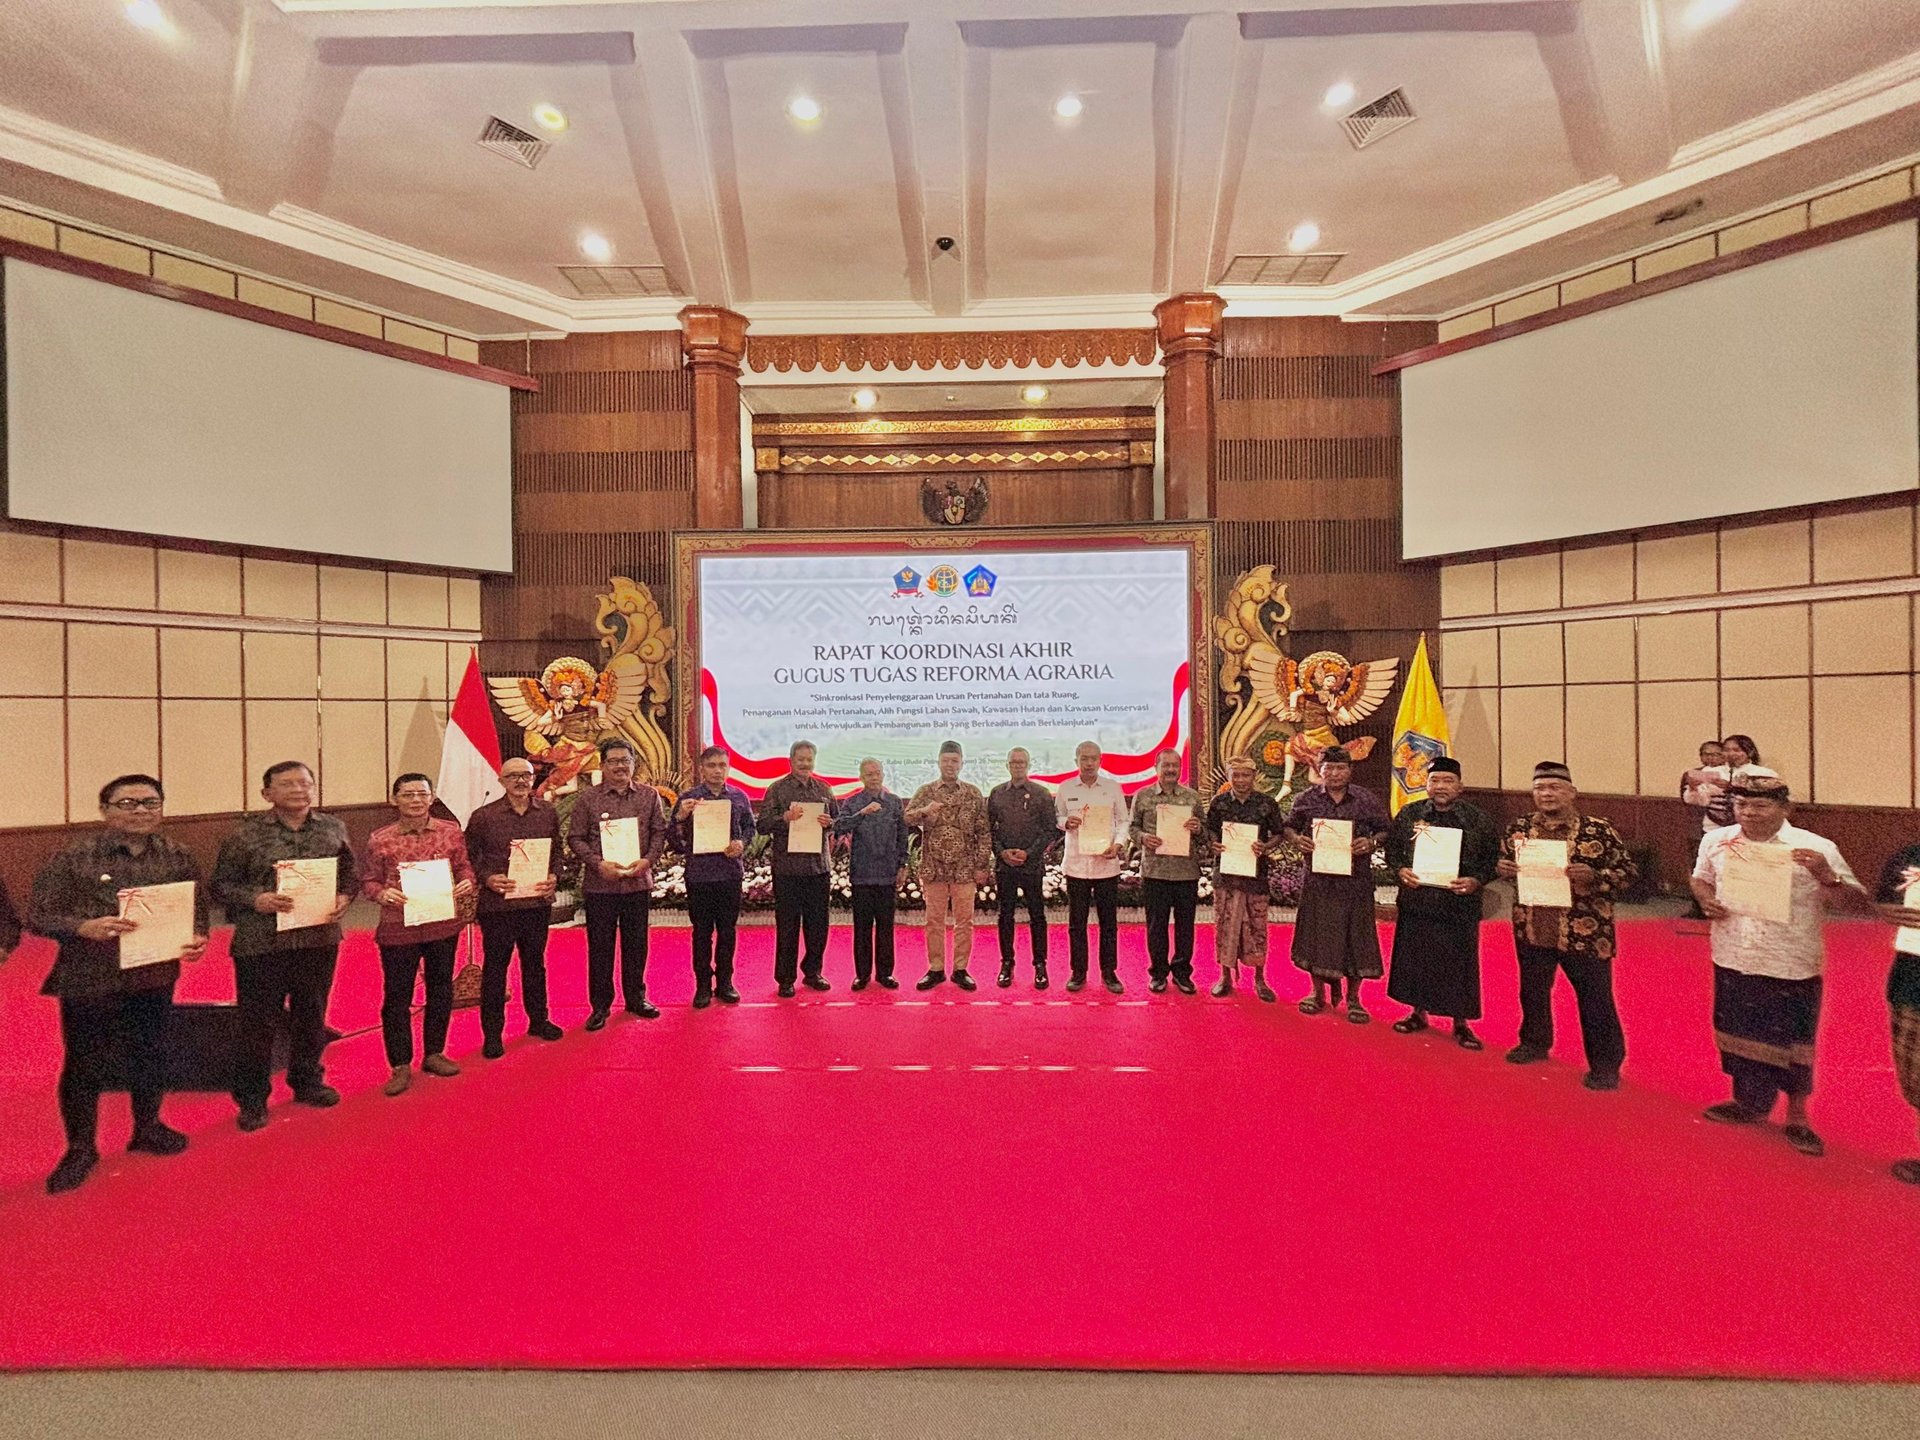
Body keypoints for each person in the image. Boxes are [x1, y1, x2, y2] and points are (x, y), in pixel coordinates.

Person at [28, 774, 209, 1194]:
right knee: (84, 1063)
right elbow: (38, 915)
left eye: (150, 802)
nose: (140, 810)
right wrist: (83, 927)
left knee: (151, 1052)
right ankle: (80, 1148)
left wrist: (197, 937)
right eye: (127, 803)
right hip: (90, 974)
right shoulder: (74, 857)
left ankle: (147, 1127)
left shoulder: (178, 855)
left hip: (153, 972)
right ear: (105, 810)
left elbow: (196, 908)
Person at [1691, 776, 1868, 1156]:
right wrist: (1705, 900)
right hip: (1733, 952)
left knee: (1793, 1043)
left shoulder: (1816, 847)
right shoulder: (1717, 840)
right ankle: (1749, 1102)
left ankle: (1797, 1117)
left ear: (1786, 808)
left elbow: (1856, 903)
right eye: (1741, 805)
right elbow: (1700, 879)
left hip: (1789, 959)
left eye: (1760, 806)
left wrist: (1826, 875)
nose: (1749, 813)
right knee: (1736, 1030)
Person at [212, 760, 356, 1131]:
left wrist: (344, 897)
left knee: (311, 1014)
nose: (298, 790)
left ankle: (307, 1080)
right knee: (257, 1023)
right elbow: (220, 886)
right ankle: (253, 1098)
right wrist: (255, 899)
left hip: (318, 938)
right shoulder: (244, 835)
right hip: (262, 943)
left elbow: (348, 876)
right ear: (267, 793)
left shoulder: (333, 828)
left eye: (305, 783)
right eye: (288, 784)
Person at [1496, 761, 1636, 1090]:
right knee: (1532, 991)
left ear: (1572, 792)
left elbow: (1629, 874)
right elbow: (1505, 865)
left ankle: (1605, 1065)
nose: (1547, 794)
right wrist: (1502, 869)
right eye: (1540, 788)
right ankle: (1534, 1042)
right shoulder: (1519, 829)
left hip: (1585, 932)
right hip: (1532, 926)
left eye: (1554, 788)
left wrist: (1596, 877)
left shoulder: (1598, 830)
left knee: (1595, 998)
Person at [363, 773, 478, 1096]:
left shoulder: (451, 832)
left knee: (441, 988)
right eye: (408, 794)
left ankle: (434, 1053)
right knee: (397, 996)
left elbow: (464, 866)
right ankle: (400, 1064)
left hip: (442, 923)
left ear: (432, 797)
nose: (416, 800)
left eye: (422, 794)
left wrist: (467, 881)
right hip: (399, 927)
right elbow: (368, 880)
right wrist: (381, 893)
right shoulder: (380, 839)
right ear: (394, 799)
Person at [1384, 757, 1500, 1049]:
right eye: (1434, 780)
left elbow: (1492, 861)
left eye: (1448, 781)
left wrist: (1476, 881)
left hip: (1458, 905)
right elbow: (1392, 851)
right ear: (1425, 785)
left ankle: (1460, 1023)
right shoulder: (1410, 814)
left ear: (1460, 786)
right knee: (1417, 958)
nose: (1441, 786)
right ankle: (1417, 1013)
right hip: (1418, 901)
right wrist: (1400, 870)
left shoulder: (1478, 819)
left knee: (1458, 963)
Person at [465, 757, 564, 1056]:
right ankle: (493, 1034)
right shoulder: (484, 817)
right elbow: (468, 857)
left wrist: (554, 876)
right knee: (496, 968)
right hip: (498, 906)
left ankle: (539, 1020)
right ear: (501, 781)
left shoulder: (547, 812)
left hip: (535, 902)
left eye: (526, 775)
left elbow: (557, 852)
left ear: (533, 779)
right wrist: (487, 878)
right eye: (513, 776)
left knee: (535, 964)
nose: (520, 781)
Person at [567, 737, 668, 1027]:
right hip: (601, 885)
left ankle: (636, 998)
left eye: (625, 760)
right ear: (603, 765)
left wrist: (648, 860)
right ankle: (600, 1006)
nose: (620, 766)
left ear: (634, 763)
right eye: (613, 761)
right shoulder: (588, 799)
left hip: (637, 883)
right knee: (601, 947)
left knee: (637, 945)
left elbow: (659, 833)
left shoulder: (649, 796)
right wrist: (598, 864)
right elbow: (575, 838)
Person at [1284, 746, 1390, 1022]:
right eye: (1328, 768)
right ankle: (1316, 993)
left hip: (1356, 881)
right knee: (1317, 936)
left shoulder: (1366, 799)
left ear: (1350, 770)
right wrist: (1297, 839)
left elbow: (1385, 829)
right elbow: (1289, 827)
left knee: (1356, 938)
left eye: (1340, 768)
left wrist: (1371, 842)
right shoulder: (1305, 799)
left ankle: (1354, 999)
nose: (1334, 773)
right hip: (1318, 881)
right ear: (1319, 770)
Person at [671, 745, 755, 1008]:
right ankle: (703, 985)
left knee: (728, 931)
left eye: (722, 765)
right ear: (701, 769)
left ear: (728, 768)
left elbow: (750, 829)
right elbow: (673, 841)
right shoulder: (689, 798)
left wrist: (741, 843)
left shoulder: (739, 797)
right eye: (712, 765)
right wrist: (681, 817)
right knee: (702, 933)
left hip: (730, 874)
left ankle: (725, 982)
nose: (718, 771)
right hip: (700, 875)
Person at [907, 741, 993, 991]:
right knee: (933, 921)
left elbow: (983, 832)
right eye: (945, 760)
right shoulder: (926, 791)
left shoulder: (973, 793)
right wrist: (925, 811)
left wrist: (982, 865)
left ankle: (960, 969)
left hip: (965, 869)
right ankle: (935, 969)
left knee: (964, 921)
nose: (950, 765)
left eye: (955, 760)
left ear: (962, 763)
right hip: (934, 868)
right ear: (938, 762)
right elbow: (906, 817)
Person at [756, 739, 838, 997]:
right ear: (791, 761)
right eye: (800, 759)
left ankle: (813, 972)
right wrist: (784, 818)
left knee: (818, 926)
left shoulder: (824, 789)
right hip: (787, 869)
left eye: (809, 760)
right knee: (788, 927)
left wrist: (828, 822)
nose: (805, 764)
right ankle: (786, 978)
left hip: (818, 868)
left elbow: (836, 821)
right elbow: (762, 825)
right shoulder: (777, 789)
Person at [1205, 755, 1286, 1000]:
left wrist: (1266, 846)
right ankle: (1225, 976)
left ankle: (1260, 979)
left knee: (1257, 926)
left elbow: (1279, 833)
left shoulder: (1267, 804)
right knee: (1225, 925)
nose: (1241, 780)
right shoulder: (1219, 803)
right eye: (1236, 775)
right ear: (1229, 777)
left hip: (1255, 875)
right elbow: (1210, 830)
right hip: (1226, 875)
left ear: (1254, 776)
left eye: (1246, 775)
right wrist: (1214, 844)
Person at [1129, 748, 1208, 994]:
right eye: (1166, 765)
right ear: (1156, 767)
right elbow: (1132, 828)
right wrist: (1143, 838)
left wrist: (1198, 829)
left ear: (1180, 768)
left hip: (1186, 872)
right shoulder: (1143, 796)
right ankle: (1158, 973)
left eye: (1175, 765)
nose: (1171, 770)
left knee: (1185, 927)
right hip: (1155, 871)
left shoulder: (1192, 798)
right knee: (1156, 926)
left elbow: (1205, 833)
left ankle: (1182, 973)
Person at [1056, 740, 1128, 993]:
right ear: (1076, 760)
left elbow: (1123, 821)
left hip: (1106, 864)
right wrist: (1066, 822)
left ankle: (1109, 972)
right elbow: (1057, 817)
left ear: (1100, 761)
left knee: (1108, 923)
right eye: (1084, 758)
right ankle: (1078, 972)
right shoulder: (1065, 788)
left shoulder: (1112, 788)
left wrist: (1118, 844)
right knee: (1077, 924)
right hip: (1077, 865)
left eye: (1093, 758)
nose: (1088, 763)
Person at [834, 758, 910, 990]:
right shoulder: (853, 802)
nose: (874, 777)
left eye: (877, 773)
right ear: (861, 778)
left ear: (883, 774)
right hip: (862, 874)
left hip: (887, 873)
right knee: (862, 928)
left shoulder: (894, 802)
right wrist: (862, 813)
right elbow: (840, 826)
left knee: (886, 927)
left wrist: (903, 864)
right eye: (869, 774)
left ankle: (885, 974)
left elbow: (902, 835)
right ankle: (862, 974)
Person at [988, 747, 1057, 989]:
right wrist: (1001, 852)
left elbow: (1049, 830)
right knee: (1005, 915)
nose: (1017, 766)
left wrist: (1029, 853)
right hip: (1005, 865)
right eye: (1013, 762)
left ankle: (1040, 965)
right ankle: (1007, 963)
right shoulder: (997, 793)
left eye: (1021, 762)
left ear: (1028, 765)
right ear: (1007, 765)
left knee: (1037, 916)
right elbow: (989, 830)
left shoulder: (1041, 793)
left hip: (1032, 865)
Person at [1873, 842, 1920, 1185]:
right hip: (1913, 977)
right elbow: (1883, 901)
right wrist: (1887, 911)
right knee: (1915, 1072)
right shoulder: (1908, 857)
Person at [1680, 740, 1728, 917]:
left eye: (1716, 754)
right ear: (1701, 756)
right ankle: (1698, 906)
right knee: (1699, 866)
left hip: (1728, 825)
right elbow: (1688, 800)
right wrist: (1693, 786)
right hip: (1701, 824)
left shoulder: (1731, 774)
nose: (1712, 758)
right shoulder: (1693, 774)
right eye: (1707, 754)